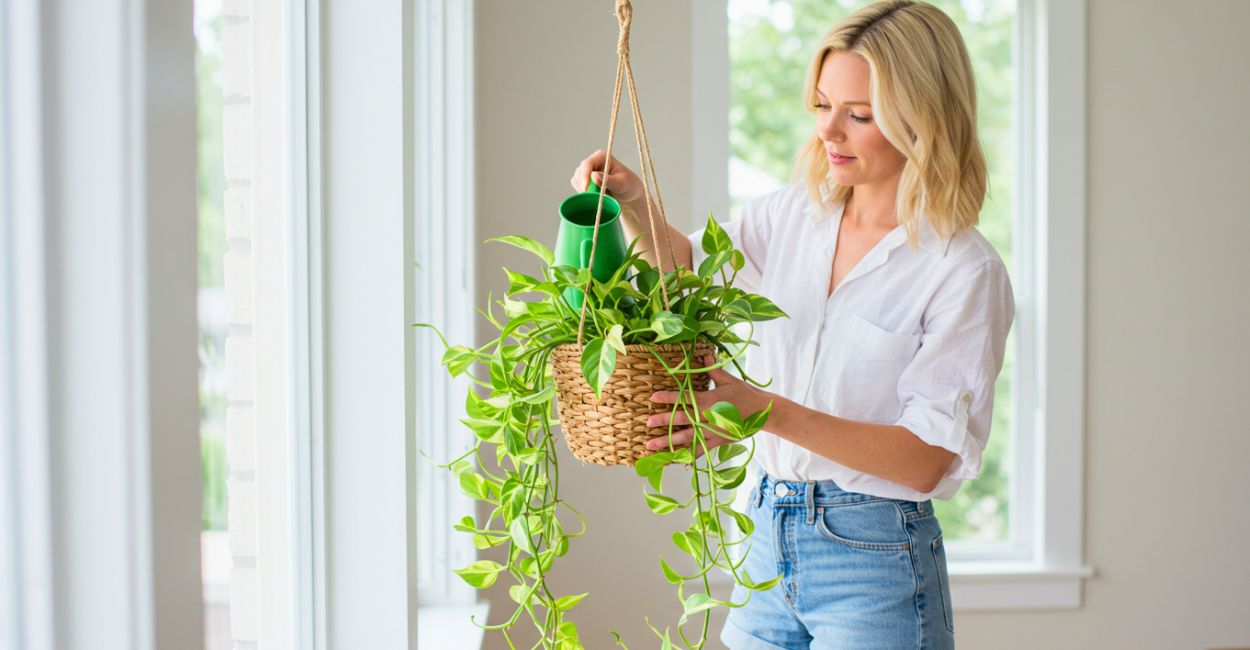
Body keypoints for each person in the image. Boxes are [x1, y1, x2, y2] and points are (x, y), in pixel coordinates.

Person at [571, 1, 1013, 647]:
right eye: (822, 105)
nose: (828, 132)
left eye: (858, 115)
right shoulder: (790, 217)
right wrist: (635, 208)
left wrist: (763, 410)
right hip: (765, 535)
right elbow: (687, 273)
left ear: (923, 121)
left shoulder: (962, 270)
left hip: (875, 559)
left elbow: (924, 460)